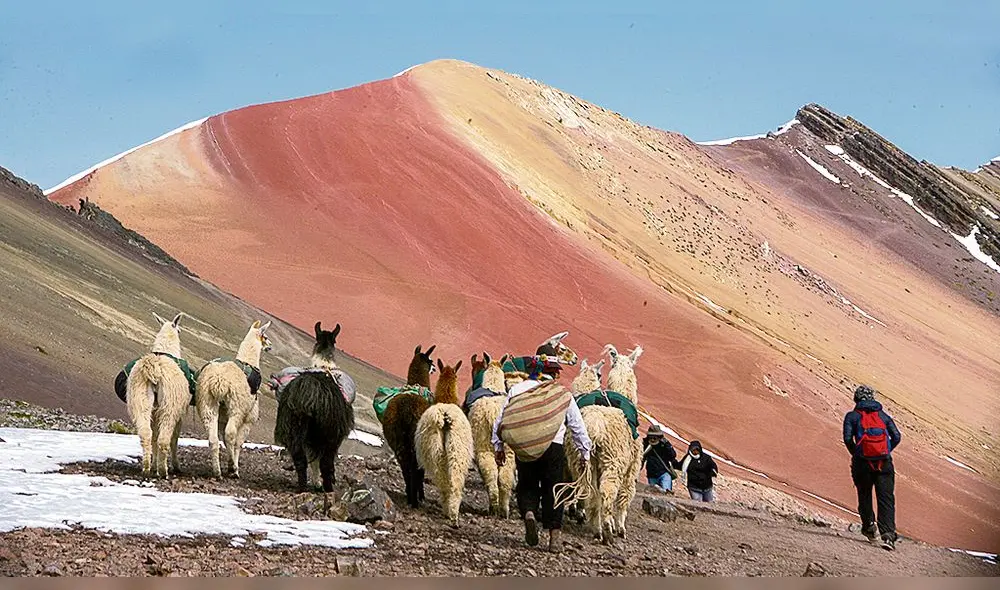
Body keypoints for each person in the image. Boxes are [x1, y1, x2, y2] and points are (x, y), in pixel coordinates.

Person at [492, 377, 592, 553]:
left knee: (527, 484)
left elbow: (501, 419)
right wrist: (585, 452)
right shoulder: (561, 393)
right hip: (554, 446)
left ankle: (529, 513)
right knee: (553, 489)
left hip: (525, 445)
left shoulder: (518, 389)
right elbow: (577, 424)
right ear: (553, 373)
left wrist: (498, 445)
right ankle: (554, 537)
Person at [843, 384, 901, 551]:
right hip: (885, 463)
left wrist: (857, 454)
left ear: (856, 398)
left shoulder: (852, 417)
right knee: (886, 499)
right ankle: (888, 536)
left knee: (864, 495)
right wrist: (886, 451)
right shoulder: (883, 416)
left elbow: (847, 439)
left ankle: (869, 526)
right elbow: (896, 436)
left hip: (862, 463)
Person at [642, 424, 678, 494]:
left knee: (666, 493)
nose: (652, 439)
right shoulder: (646, 445)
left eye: (654, 437)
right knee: (653, 494)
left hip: (664, 473)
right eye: (651, 437)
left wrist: (667, 446)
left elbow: (672, 456)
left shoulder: (664, 445)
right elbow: (642, 458)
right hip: (651, 474)